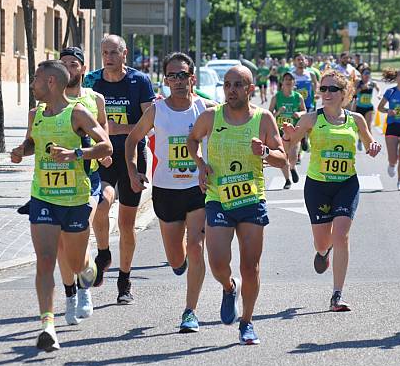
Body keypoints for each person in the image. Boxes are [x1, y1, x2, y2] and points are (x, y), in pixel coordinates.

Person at [10, 60, 112, 351]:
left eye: (36, 79)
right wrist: (22, 151)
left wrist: (75, 154)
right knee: (45, 259)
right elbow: (33, 143)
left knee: (77, 263)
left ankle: (89, 268)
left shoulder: (77, 113)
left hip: (75, 200)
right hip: (43, 196)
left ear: (51, 82)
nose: (32, 84)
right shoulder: (36, 114)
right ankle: (48, 327)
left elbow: (106, 146)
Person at [187, 65, 286, 345]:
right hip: (218, 197)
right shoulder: (210, 116)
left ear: (250, 89)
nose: (231, 90)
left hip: (252, 198)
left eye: (238, 85)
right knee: (218, 262)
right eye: (227, 84)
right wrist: (200, 164)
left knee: (250, 267)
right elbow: (192, 139)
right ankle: (229, 288)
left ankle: (247, 322)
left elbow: (283, 158)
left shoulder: (263, 119)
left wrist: (265, 151)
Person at [125, 52, 216, 333]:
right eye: (172, 76)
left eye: (183, 75)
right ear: (165, 80)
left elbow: (233, 130)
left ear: (192, 78)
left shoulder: (207, 110)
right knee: (176, 258)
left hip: (198, 188)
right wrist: (132, 172)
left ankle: (190, 311)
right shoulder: (156, 111)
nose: (178, 81)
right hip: (165, 190)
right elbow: (132, 140)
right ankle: (182, 264)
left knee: (196, 246)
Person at [282, 69, 381, 312]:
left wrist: (374, 147)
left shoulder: (355, 119)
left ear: (344, 93)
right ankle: (324, 252)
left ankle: (337, 294)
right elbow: (289, 144)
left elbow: (369, 144)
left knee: (342, 235)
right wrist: (287, 137)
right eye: (323, 89)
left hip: (346, 184)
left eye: (332, 89)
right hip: (318, 186)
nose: (326, 93)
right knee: (323, 241)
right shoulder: (311, 118)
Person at [83, 35, 155, 304]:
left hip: (132, 158)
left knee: (126, 224)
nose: (108, 57)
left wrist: (116, 129)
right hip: (103, 157)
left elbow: (149, 123)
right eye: (104, 53)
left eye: (114, 52)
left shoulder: (139, 81)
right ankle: (103, 252)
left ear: (125, 54)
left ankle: (124, 279)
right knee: (101, 202)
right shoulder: (92, 81)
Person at [58, 47, 110, 325]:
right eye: (63, 63)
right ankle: (71, 292)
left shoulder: (95, 99)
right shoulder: (48, 102)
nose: (69, 68)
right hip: (53, 182)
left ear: (82, 68)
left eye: (74, 64)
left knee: (80, 232)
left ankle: (85, 289)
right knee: (62, 245)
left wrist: (105, 151)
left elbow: (103, 128)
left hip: (87, 178)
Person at [269, 72, 306, 189]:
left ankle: (293, 167)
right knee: (283, 157)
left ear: (294, 82)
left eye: (291, 79)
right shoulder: (276, 97)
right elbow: (268, 115)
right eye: (286, 79)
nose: (288, 81)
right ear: (282, 82)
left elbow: (305, 111)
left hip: (294, 131)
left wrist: (299, 113)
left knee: (293, 155)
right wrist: (278, 112)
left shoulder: (298, 97)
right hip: (280, 132)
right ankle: (287, 180)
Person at [292, 53, 318, 152]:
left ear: (306, 61)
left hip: (309, 103)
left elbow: (316, 83)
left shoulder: (310, 74)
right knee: (300, 125)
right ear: (294, 62)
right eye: (298, 59)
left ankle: (304, 138)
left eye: (302, 59)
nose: (300, 61)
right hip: (297, 105)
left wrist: (315, 93)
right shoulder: (292, 75)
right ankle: (302, 139)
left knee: (309, 124)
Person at [353, 66, 380, 151]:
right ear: (362, 75)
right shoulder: (359, 83)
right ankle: (360, 140)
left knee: (368, 126)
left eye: (369, 73)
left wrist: (379, 94)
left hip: (369, 108)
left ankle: (370, 145)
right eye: (365, 73)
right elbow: (354, 94)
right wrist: (361, 88)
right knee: (361, 127)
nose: (367, 75)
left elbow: (378, 89)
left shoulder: (372, 83)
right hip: (359, 108)